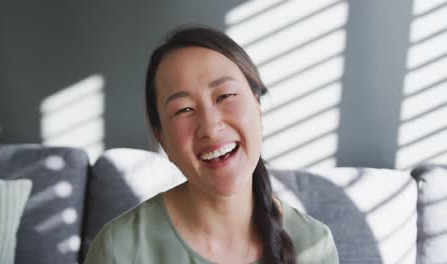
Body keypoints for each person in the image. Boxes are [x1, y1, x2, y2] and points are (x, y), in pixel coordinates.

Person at [84, 26, 339, 264]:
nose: (210, 126)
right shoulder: (118, 250)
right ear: (163, 139)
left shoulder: (314, 245)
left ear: (257, 105)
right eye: (184, 109)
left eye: (225, 95)